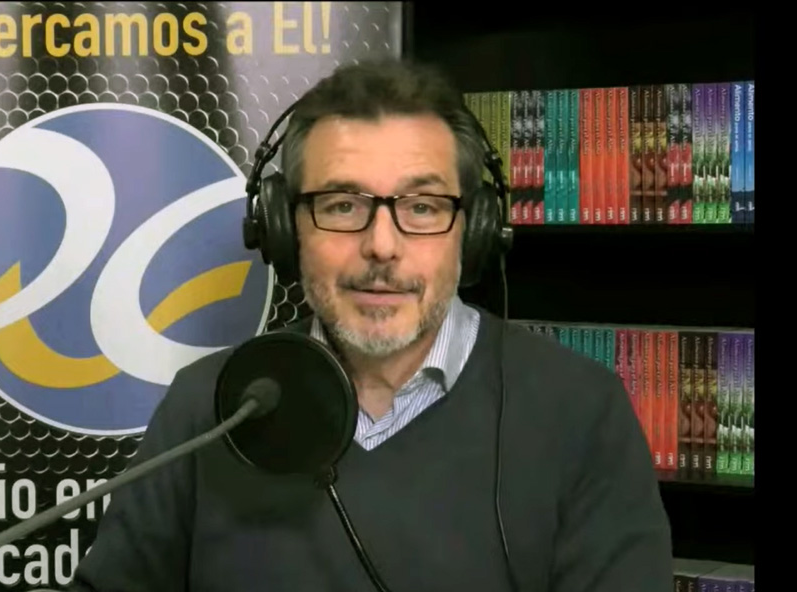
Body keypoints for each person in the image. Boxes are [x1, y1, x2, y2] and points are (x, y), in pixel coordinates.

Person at [70, 58, 673, 592]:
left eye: (422, 207)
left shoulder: (581, 411)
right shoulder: (208, 409)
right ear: (283, 229)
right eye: (342, 205)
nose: (382, 245)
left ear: (475, 231)